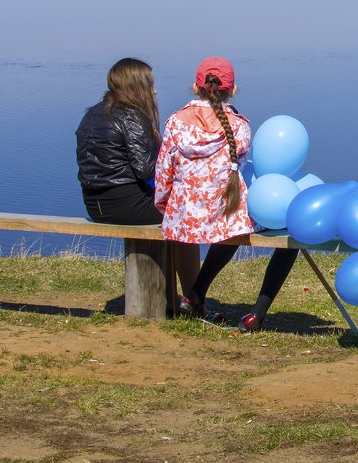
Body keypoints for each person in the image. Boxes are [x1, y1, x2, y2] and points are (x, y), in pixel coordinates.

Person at [155, 56, 296, 331]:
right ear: (232, 90)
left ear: (196, 88)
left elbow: (164, 172)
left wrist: (166, 208)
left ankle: (195, 296)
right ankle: (251, 312)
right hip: (223, 216)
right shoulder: (240, 127)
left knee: (226, 228)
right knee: (289, 233)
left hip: (184, 216)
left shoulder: (174, 123)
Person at [75, 57, 199, 299]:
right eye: (150, 84)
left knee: (174, 212)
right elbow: (147, 170)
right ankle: (193, 298)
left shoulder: (92, 114)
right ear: (137, 85)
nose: (154, 90)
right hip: (127, 205)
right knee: (185, 219)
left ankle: (172, 297)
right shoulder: (131, 115)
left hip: (94, 204)